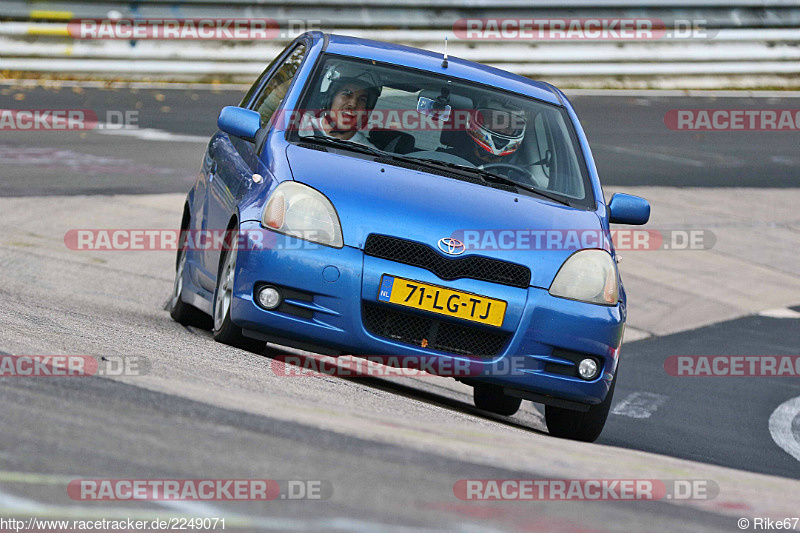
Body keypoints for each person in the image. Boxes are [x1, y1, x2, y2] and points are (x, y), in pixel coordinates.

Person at [298, 64, 382, 149]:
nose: (353, 104)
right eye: (346, 94)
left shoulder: (368, 153)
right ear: (329, 99)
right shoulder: (297, 127)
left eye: (362, 99)